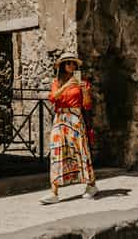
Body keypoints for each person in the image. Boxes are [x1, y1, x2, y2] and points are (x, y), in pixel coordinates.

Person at [40, 52, 98, 204]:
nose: (71, 66)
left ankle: (91, 184)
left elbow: (87, 105)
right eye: (68, 63)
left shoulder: (83, 83)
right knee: (56, 151)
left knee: (80, 150)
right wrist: (67, 85)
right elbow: (53, 98)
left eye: (73, 63)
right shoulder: (56, 82)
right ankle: (54, 191)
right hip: (60, 119)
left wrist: (84, 91)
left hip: (75, 118)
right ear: (62, 66)